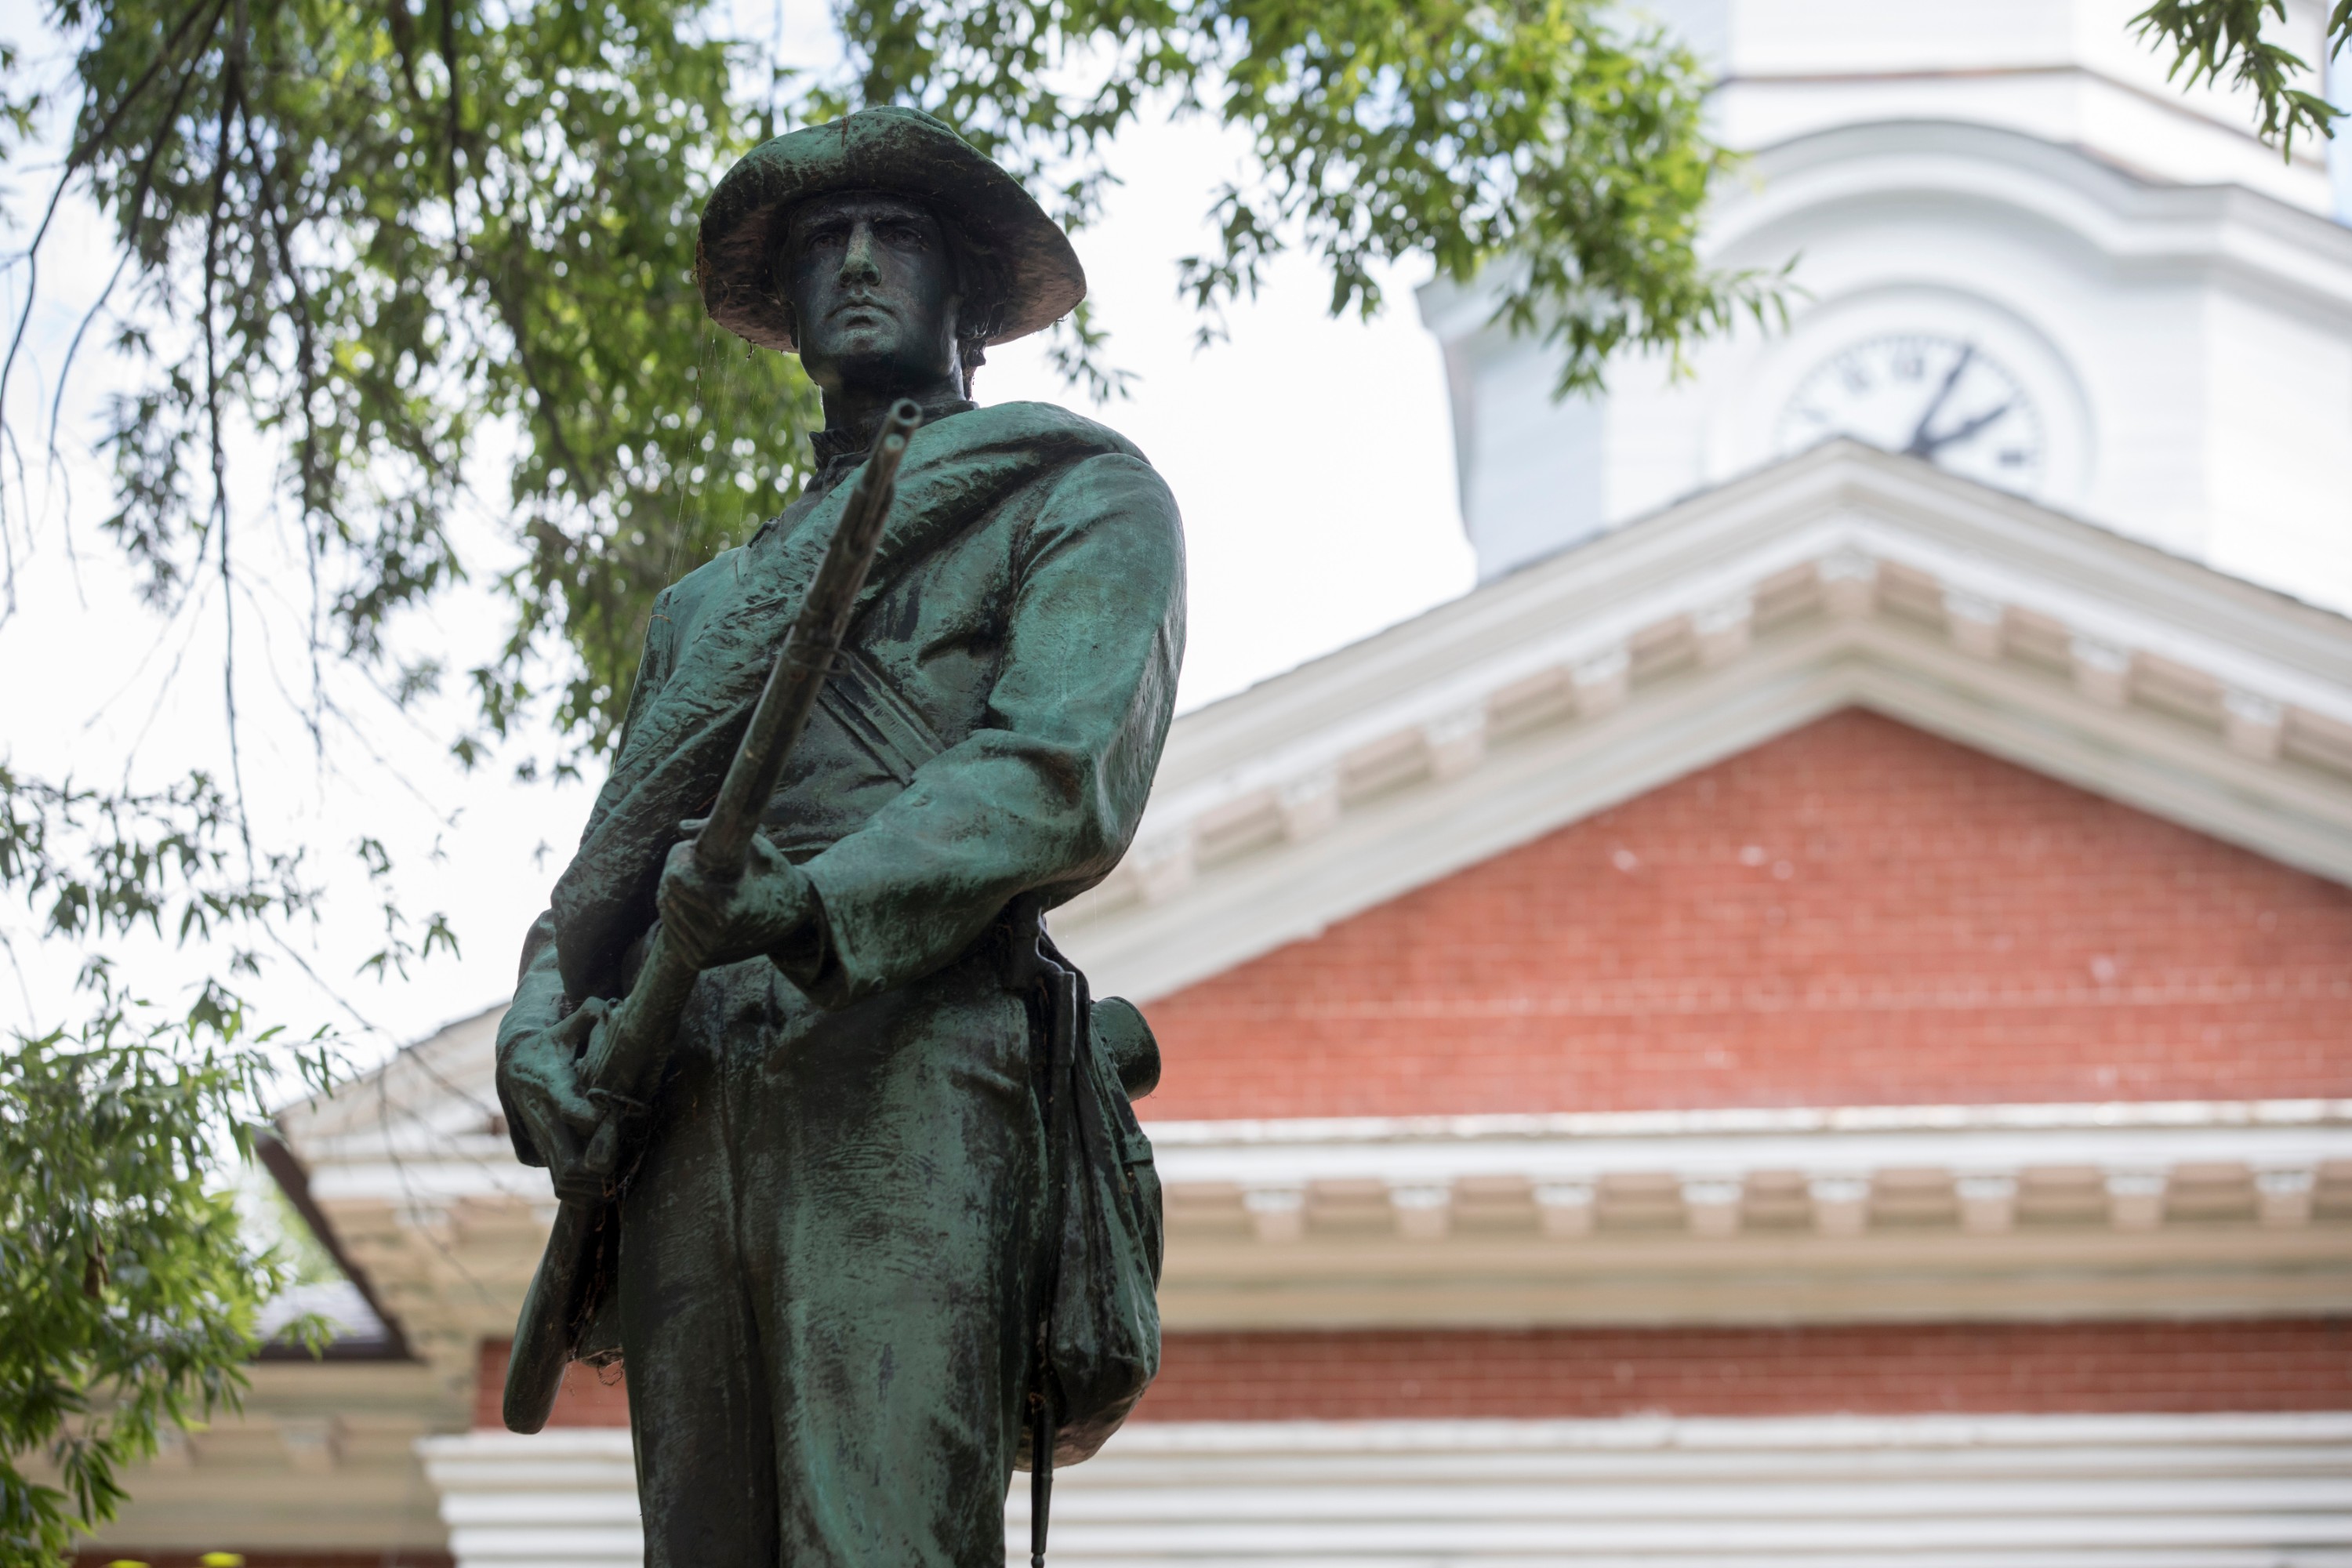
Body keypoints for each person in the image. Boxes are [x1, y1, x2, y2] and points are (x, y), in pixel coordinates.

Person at [489, 105, 1185, 1565]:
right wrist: (541, 1024)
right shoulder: (705, 611)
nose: (857, 263)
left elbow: (1055, 770)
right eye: (824, 243)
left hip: (913, 1072)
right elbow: (610, 870)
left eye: (897, 235)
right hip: (684, 1098)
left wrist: (812, 903)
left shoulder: (1075, 496)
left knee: (880, 1540)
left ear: (967, 292)